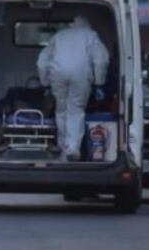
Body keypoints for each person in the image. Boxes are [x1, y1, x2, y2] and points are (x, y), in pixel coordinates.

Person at [36, 15, 110, 161]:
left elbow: (42, 61)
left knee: (61, 109)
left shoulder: (59, 36)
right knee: (75, 110)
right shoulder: (90, 35)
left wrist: (45, 83)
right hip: (80, 74)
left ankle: (63, 147)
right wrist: (99, 83)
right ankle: (72, 148)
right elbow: (101, 60)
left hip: (58, 74)